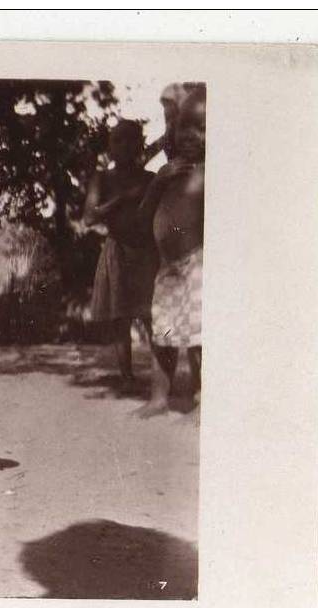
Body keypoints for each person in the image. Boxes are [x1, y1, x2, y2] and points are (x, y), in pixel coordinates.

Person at [136, 86, 206, 416]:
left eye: (203, 128)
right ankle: (159, 397)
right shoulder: (169, 171)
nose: (191, 135)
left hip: (198, 265)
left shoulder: (210, 173)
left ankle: (202, 397)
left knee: (199, 335)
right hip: (168, 268)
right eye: (184, 126)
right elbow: (142, 216)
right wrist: (158, 181)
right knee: (162, 332)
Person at [83, 119, 158, 393]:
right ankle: (127, 377)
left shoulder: (150, 178)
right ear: (110, 147)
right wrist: (123, 198)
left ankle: (161, 377)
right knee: (120, 319)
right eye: (117, 140)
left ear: (139, 145)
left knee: (153, 316)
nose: (123, 146)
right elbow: (89, 217)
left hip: (147, 251)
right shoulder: (103, 178)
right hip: (117, 250)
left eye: (130, 139)